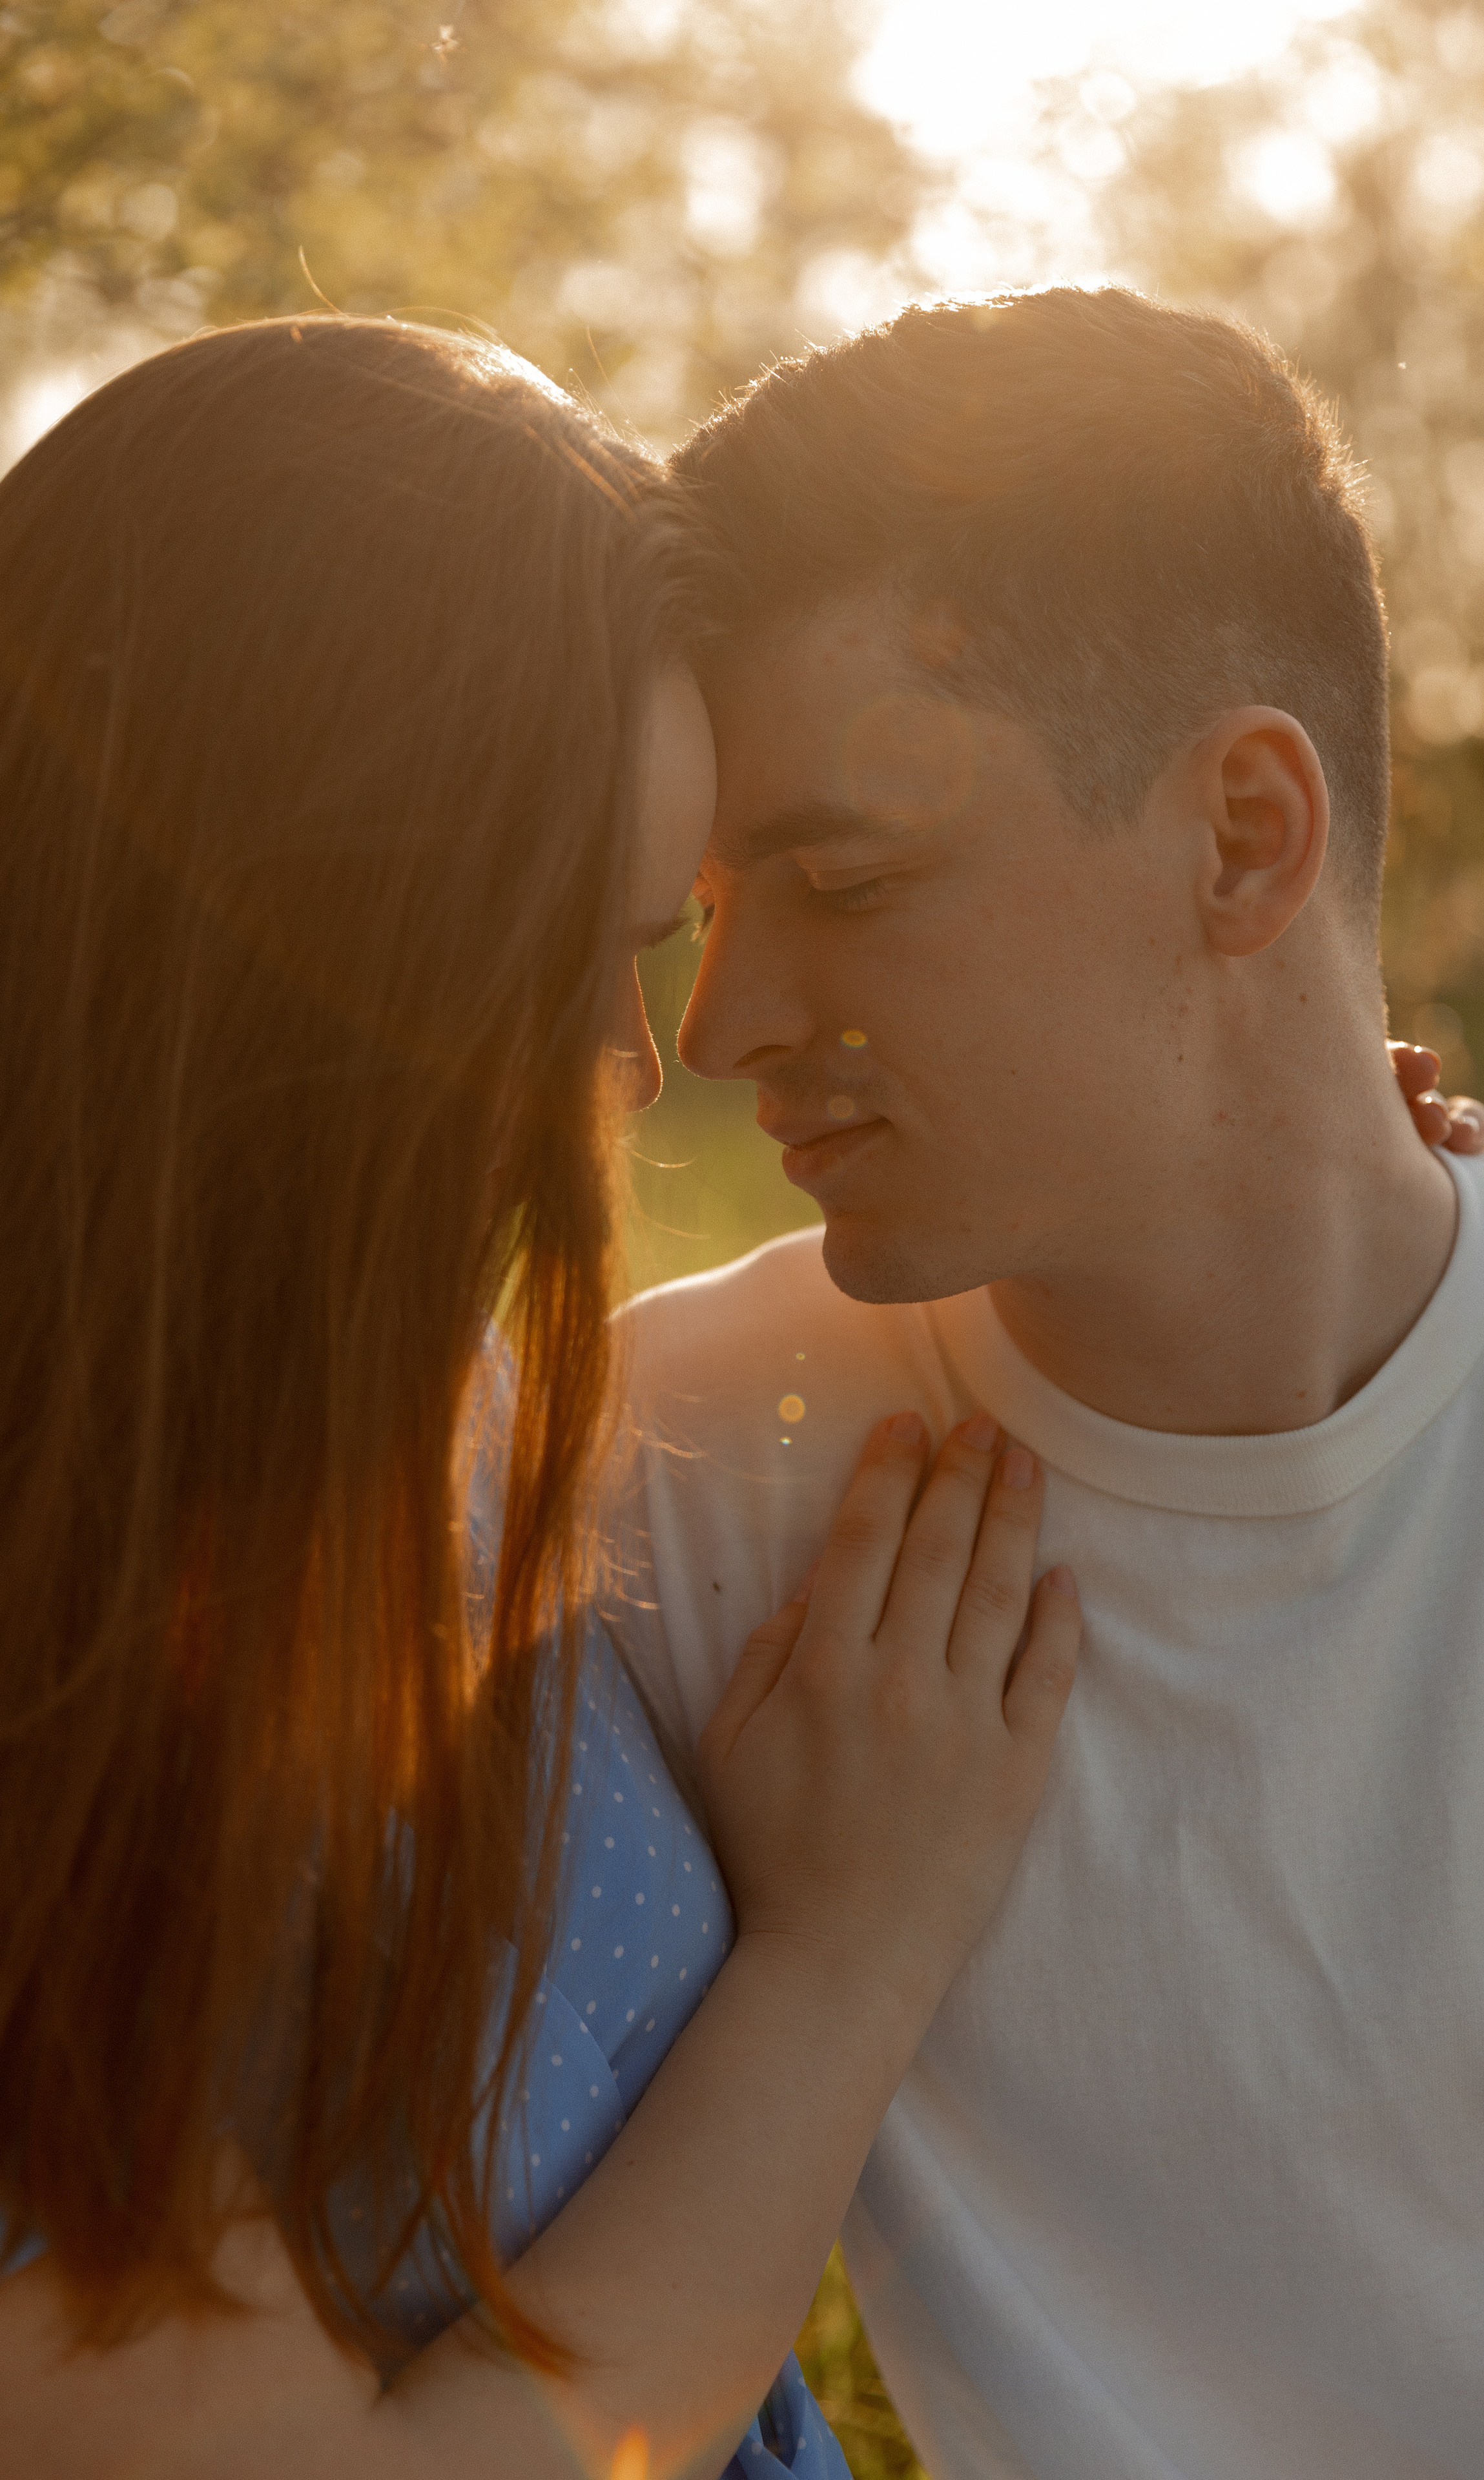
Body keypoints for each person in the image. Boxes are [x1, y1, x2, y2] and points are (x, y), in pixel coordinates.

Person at [0, 313, 1087, 2480]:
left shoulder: (377, 1394)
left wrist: (1277, 1219)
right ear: (301, 929)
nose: (632, 1055)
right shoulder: (65, 1614)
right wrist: (843, 1962)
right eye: (566, 944)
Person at [606, 286, 1484, 2480]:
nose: (722, 1025)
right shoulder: (663, 1481)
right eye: (704, 910)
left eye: (844, 879)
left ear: (1244, 841)